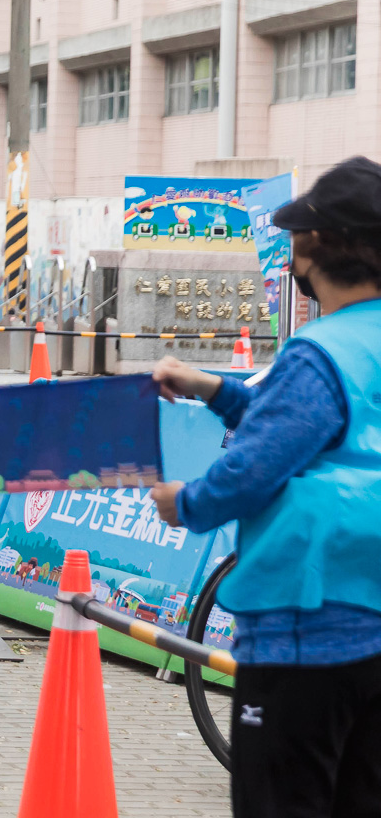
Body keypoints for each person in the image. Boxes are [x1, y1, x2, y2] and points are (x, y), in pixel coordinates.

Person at [150, 155, 381, 817]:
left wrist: (185, 504)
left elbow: (254, 467)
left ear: (318, 250)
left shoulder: (321, 350)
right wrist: (212, 389)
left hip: (309, 628)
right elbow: (325, 425)